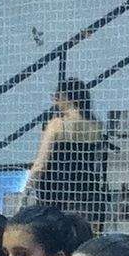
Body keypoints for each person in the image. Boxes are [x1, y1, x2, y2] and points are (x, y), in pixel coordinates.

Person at [22, 78, 111, 230]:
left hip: (55, 189)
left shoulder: (57, 124)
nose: (55, 102)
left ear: (66, 97)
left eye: (56, 97)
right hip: (86, 189)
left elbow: (40, 163)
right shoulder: (97, 125)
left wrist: (25, 192)